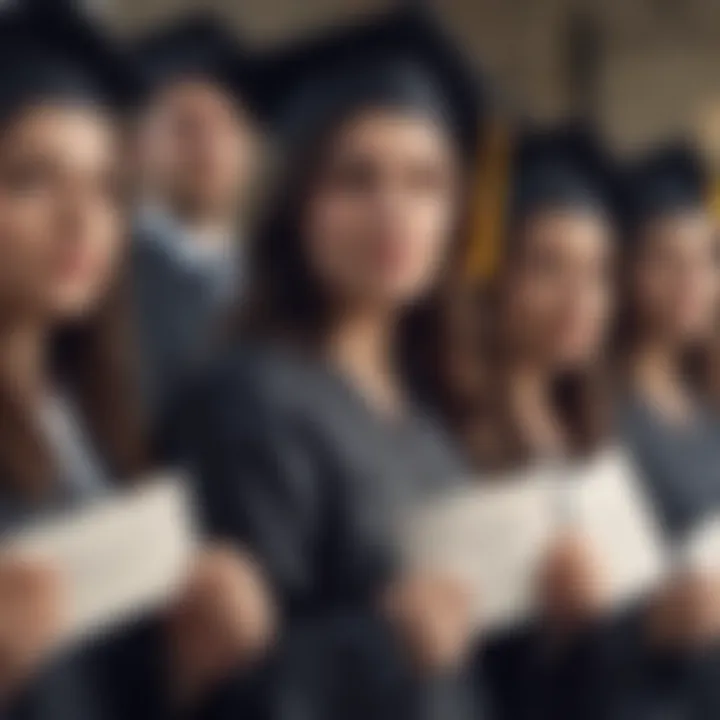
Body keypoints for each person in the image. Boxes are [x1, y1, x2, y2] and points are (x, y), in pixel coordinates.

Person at [165, 7, 487, 720]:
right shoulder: (250, 399)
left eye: (425, 183)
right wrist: (383, 641)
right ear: (297, 205)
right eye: (357, 179)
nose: (394, 213)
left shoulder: (428, 418)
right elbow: (227, 683)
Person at [0, 3, 274, 719]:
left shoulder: (98, 421)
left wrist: (191, 657)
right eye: (31, 180)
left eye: (102, 188)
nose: (80, 218)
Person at [438, 124, 621, 720]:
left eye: (595, 273)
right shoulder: (453, 428)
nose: (578, 299)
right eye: (548, 267)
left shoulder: (590, 430)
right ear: (492, 274)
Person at [615, 144, 720, 719]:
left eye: (705, 259)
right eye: (665, 259)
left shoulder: (706, 408)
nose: (690, 280)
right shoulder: (604, 416)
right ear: (627, 268)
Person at [130, 12, 265, 417]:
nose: (209, 146)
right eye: (185, 127)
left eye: (225, 126)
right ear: (137, 146)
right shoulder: (106, 281)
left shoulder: (279, 275)